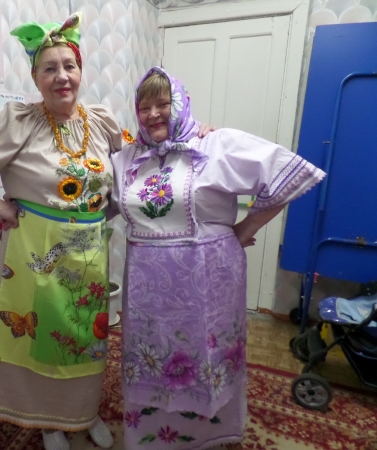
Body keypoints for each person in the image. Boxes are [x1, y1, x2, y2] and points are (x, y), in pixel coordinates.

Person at [0, 13, 123, 450]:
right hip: (36, 252)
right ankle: (48, 422)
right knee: (42, 339)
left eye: (69, 66)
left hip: (90, 253)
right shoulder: (19, 122)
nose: (61, 76)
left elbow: (135, 164)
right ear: (36, 78)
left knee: (85, 337)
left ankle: (84, 412)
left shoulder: (102, 122)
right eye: (49, 68)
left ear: (80, 71)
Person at [109, 67, 326, 449]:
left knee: (205, 354)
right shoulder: (126, 159)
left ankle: (209, 433)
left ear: (181, 105)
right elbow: (92, 198)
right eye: (145, 107)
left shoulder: (214, 144)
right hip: (147, 291)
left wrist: (245, 228)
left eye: (164, 104)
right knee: (152, 355)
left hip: (208, 279)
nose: (154, 114)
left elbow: (286, 172)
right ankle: (152, 437)